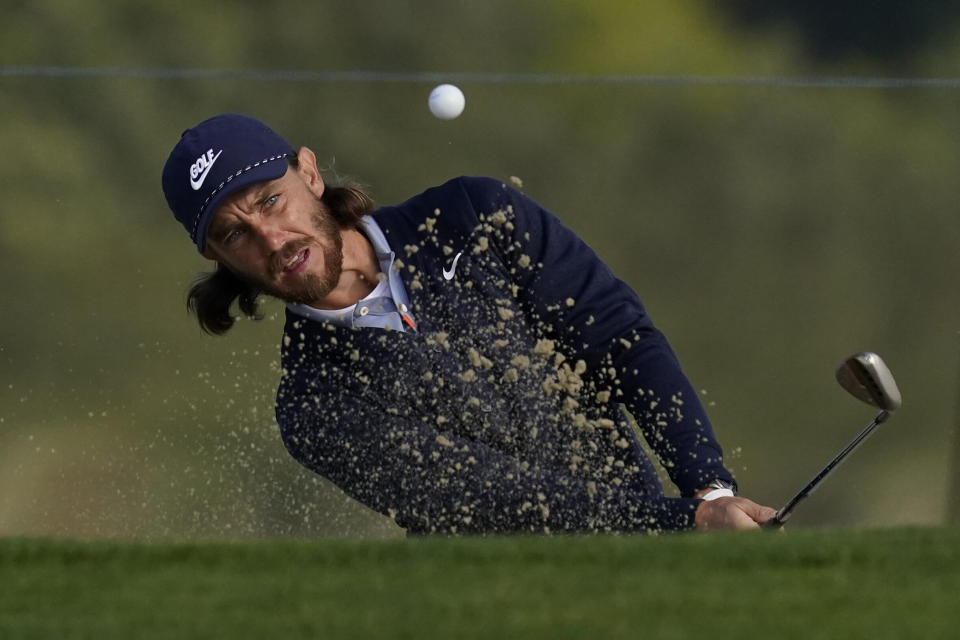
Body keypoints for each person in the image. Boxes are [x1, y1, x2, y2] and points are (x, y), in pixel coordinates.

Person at [162, 113, 776, 535]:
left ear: (310, 173)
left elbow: (618, 339)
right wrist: (681, 522)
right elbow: (492, 498)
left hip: (657, 548)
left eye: (271, 200)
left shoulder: (472, 216)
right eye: (235, 233)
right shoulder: (314, 402)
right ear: (216, 258)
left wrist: (707, 491)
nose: (272, 238)